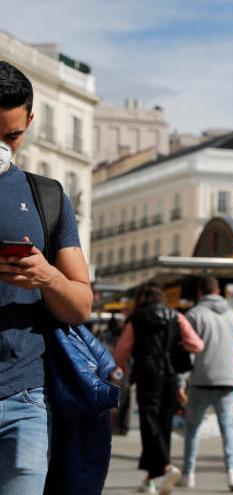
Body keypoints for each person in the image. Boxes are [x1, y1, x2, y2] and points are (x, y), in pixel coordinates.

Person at [0, 61, 93, 492]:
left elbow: (81, 305)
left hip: (23, 402)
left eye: (11, 136)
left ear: (29, 122)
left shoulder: (48, 196)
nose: (1, 147)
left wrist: (48, 278)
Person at [112, 282, 204, 494]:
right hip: (171, 375)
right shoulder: (176, 317)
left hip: (147, 375)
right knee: (163, 425)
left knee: (149, 422)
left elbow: (120, 353)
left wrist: (115, 370)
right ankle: (152, 479)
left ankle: (166, 467)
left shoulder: (136, 320)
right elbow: (197, 345)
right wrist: (178, 344)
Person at [177, 277, 233, 492]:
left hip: (201, 379)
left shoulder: (194, 314)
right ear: (218, 291)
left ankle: (189, 473)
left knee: (193, 428)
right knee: (228, 427)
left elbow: (187, 353)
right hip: (228, 379)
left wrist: (181, 382)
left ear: (199, 292)